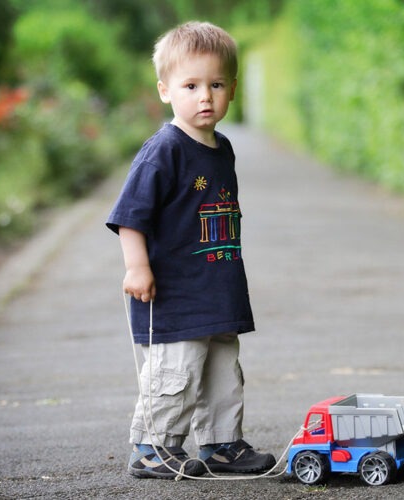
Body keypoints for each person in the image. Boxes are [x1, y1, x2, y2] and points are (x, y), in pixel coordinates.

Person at [106, 21, 275, 479]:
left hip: (217, 289)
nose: (205, 96)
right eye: (191, 85)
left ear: (232, 89)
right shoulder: (163, 150)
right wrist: (137, 266)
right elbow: (130, 216)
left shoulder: (222, 148)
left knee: (223, 373)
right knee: (174, 376)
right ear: (165, 90)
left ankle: (222, 443)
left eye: (216, 84)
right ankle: (153, 448)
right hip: (174, 294)